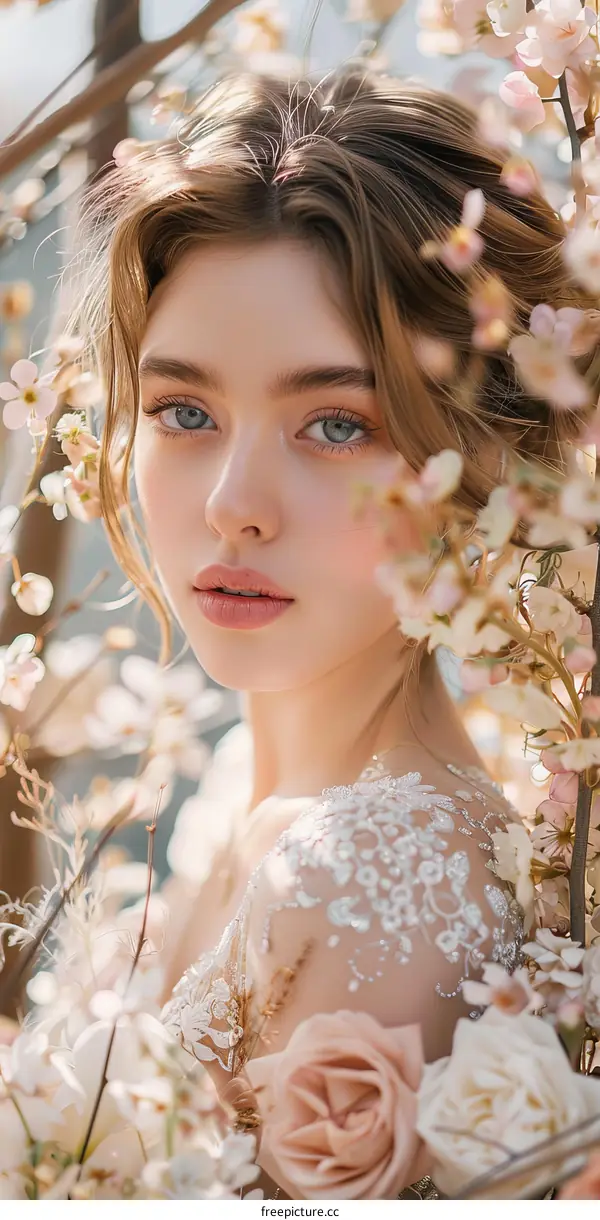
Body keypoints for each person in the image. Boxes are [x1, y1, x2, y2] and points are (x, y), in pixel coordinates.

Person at [72, 66, 595, 1196]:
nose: (232, 502)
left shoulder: (368, 872)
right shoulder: (239, 804)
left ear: (486, 461)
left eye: (335, 422)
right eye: (185, 411)